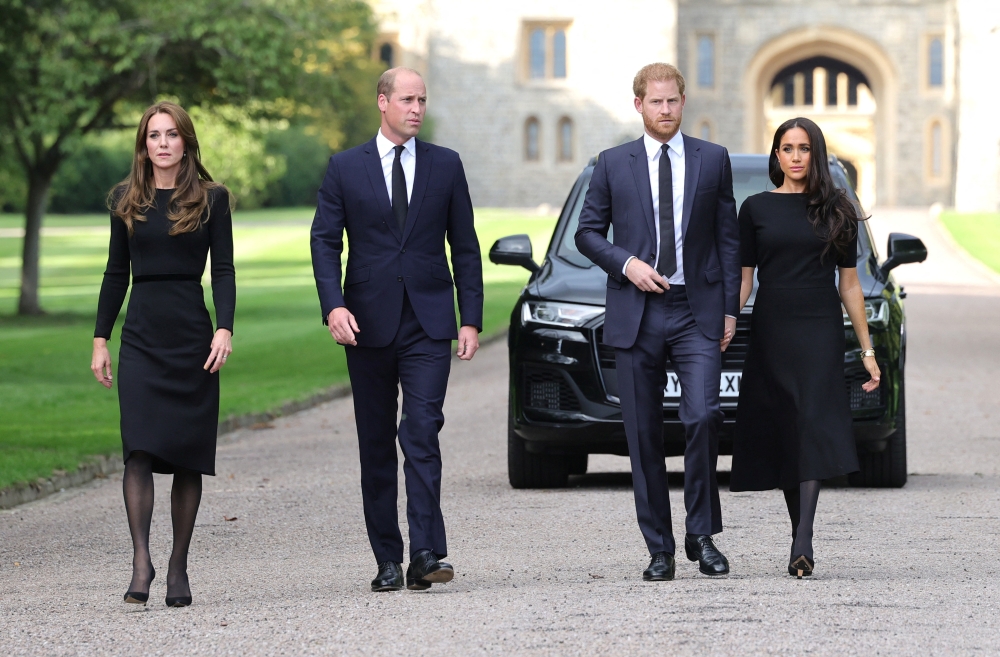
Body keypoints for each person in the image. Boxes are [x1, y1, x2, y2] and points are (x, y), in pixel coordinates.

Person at [311, 67, 484, 592]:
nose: (416, 108)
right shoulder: (345, 167)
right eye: (407, 99)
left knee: (423, 432)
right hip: (365, 324)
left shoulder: (446, 165)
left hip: (429, 323)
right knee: (376, 443)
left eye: (422, 100)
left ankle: (426, 552)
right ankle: (388, 557)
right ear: (382, 102)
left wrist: (470, 317)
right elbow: (324, 242)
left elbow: (466, 246)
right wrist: (333, 306)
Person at [575, 63, 741, 581]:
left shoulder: (712, 159)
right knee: (643, 433)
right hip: (636, 310)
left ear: (683, 102)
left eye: (673, 101)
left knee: (703, 416)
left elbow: (727, 238)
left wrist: (731, 307)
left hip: (697, 310)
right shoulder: (610, 163)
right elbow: (586, 233)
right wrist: (627, 263)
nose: (665, 110)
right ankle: (659, 548)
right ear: (639, 105)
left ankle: (702, 534)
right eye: (656, 102)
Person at [91, 101, 235, 607]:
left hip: (193, 337)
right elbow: (115, 274)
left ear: (186, 141)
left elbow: (224, 272)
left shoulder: (212, 200)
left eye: (172, 134)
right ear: (144, 144)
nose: (163, 143)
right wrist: (100, 338)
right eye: (154, 135)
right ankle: (141, 563)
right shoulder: (126, 199)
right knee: (139, 448)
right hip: (142, 339)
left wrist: (224, 329)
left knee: (188, 454)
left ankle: (177, 566)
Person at [730, 117, 880, 579]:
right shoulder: (754, 208)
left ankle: (803, 537)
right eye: (786, 148)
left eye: (803, 148)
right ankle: (800, 534)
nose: (795, 156)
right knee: (786, 427)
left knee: (812, 421)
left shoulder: (837, 207)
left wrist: (868, 352)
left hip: (818, 328)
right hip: (772, 327)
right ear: (776, 155)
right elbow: (744, 279)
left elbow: (850, 285)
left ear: (815, 153)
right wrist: (727, 320)